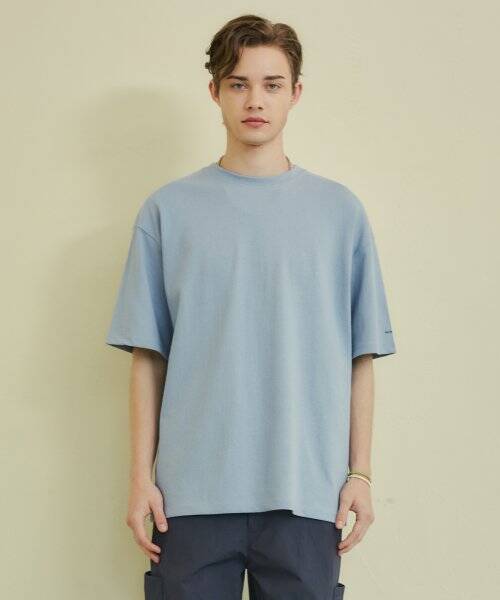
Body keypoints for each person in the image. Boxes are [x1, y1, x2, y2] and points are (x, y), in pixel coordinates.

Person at [105, 13, 396, 600]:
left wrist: (360, 473)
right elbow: (147, 357)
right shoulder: (167, 212)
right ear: (215, 91)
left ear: (296, 93)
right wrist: (141, 479)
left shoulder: (339, 214)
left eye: (272, 84)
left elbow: (360, 355)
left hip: (305, 494)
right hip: (189, 499)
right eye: (238, 83)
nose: (255, 100)